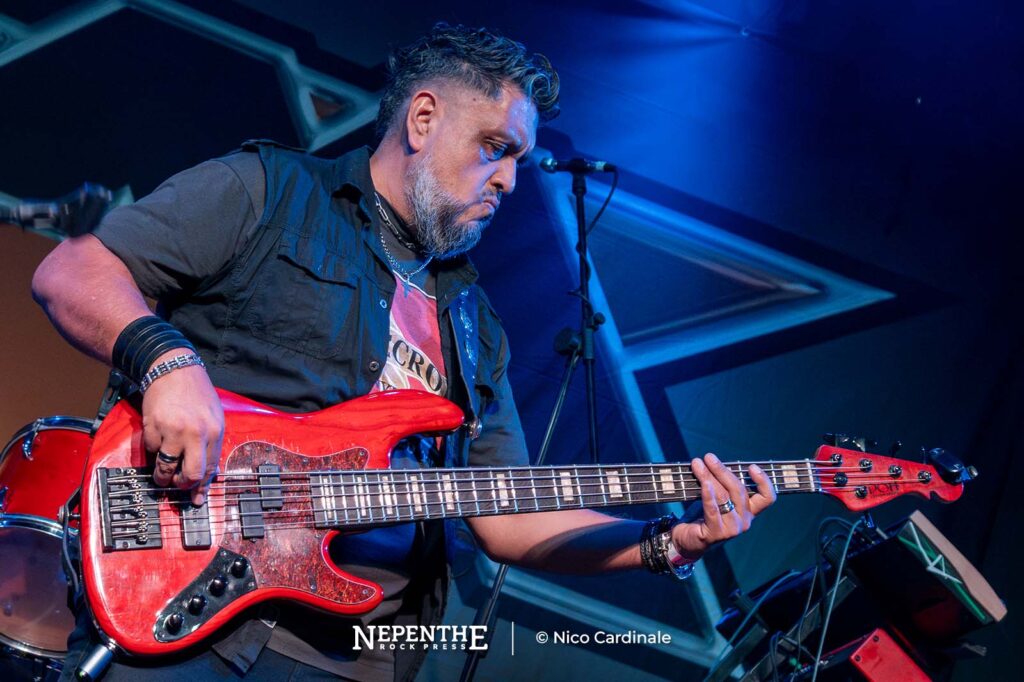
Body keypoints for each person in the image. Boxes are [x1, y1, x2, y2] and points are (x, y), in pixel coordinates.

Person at [31, 23, 776, 682]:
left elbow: (509, 518)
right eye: (496, 148)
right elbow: (71, 271)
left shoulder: (476, 325)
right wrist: (168, 362)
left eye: (518, 161)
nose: (509, 180)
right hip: (192, 611)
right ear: (423, 118)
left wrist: (669, 541)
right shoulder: (271, 191)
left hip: (361, 657)